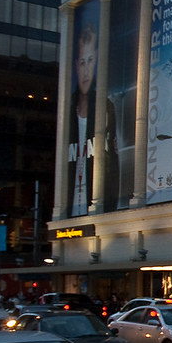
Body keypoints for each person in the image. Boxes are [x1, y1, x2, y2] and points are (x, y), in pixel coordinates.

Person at [68, 22, 119, 216]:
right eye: (82, 62)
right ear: (76, 65)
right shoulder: (69, 112)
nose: (86, 71)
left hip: (100, 208)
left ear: (96, 62)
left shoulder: (106, 108)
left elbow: (113, 162)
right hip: (72, 211)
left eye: (90, 61)